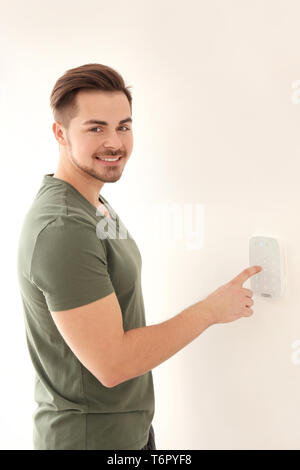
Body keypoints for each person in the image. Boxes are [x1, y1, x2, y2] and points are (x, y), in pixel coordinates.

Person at [17, 63, 262, 450]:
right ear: (60, 134)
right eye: (96, 128)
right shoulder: (63, 229)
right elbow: (112, 364)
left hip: (128, 434)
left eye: (124, 126)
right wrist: (211, 310)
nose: (114, 142)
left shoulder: (95, 205)